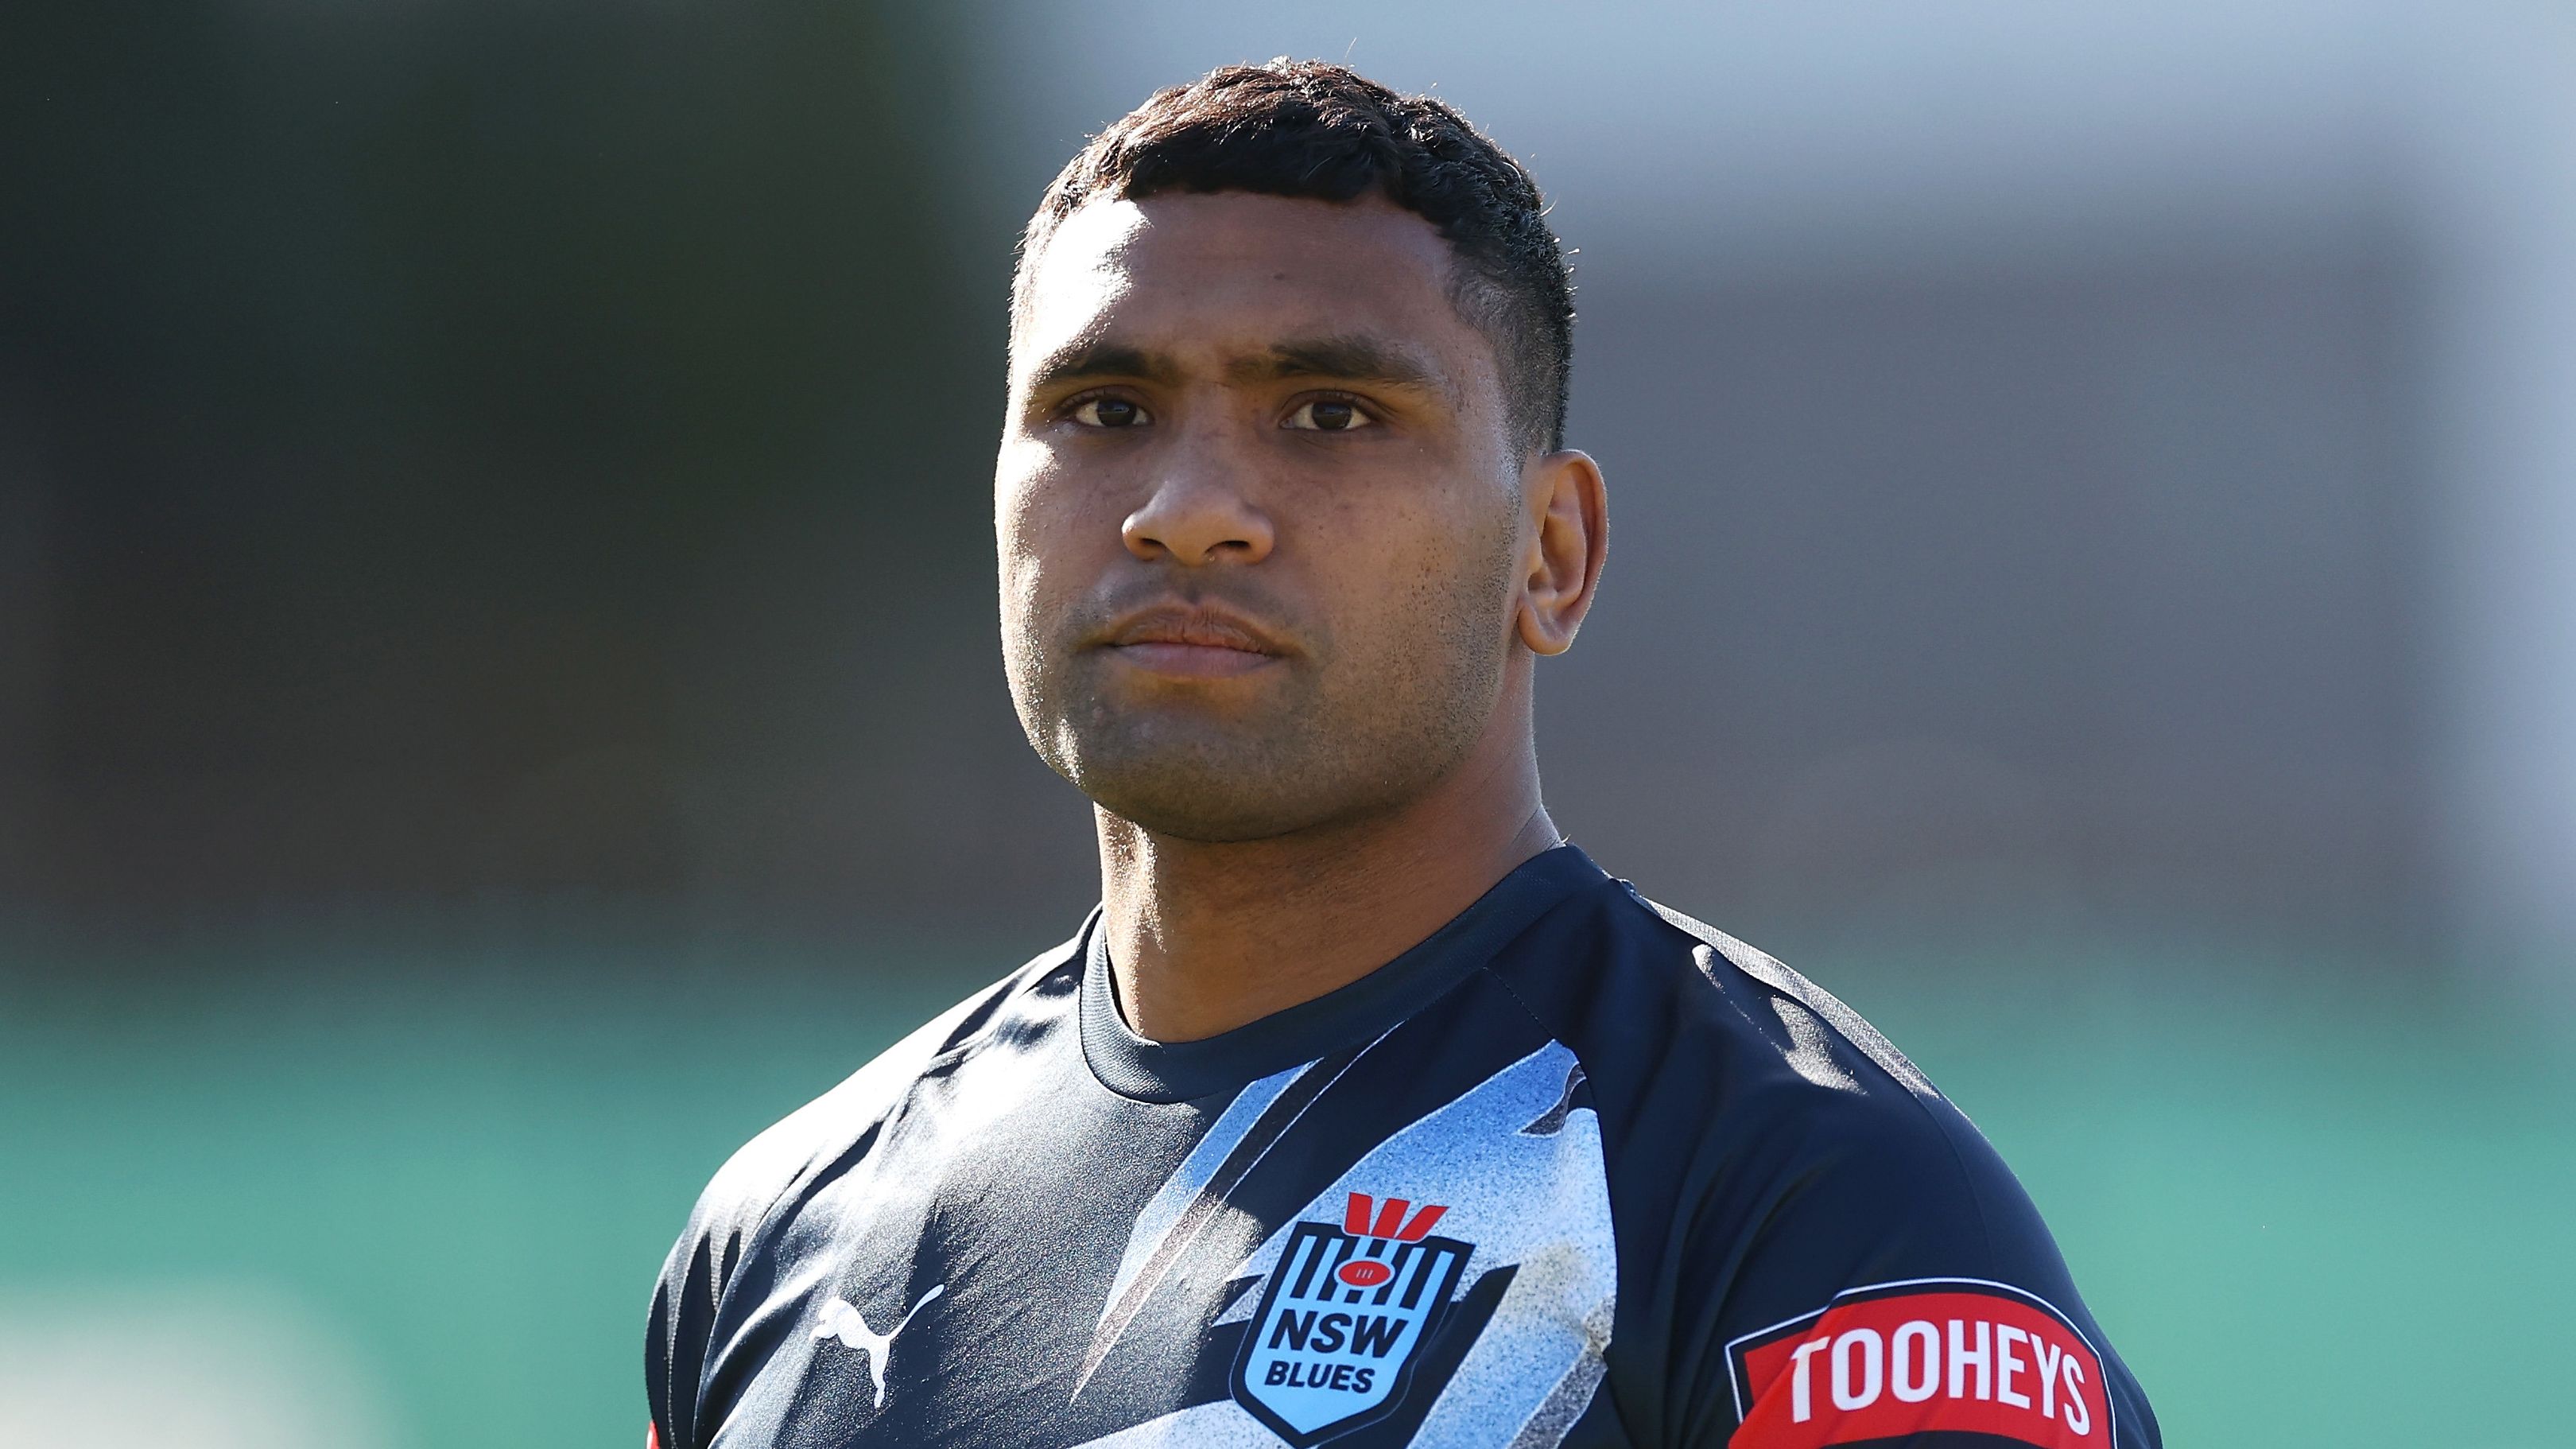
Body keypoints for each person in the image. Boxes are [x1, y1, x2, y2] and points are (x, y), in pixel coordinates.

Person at [646, 59, 2160, 1449]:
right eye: (1105, 407)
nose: (1188, 506)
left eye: (1329, 411)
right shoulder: (786, 1233)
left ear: (1552, 554)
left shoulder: (1809, 1206)